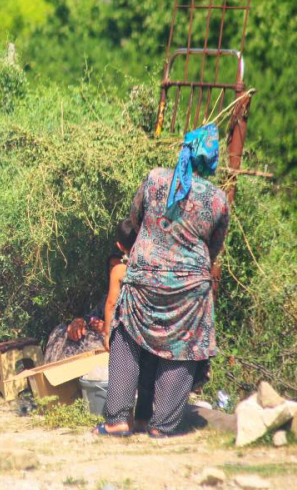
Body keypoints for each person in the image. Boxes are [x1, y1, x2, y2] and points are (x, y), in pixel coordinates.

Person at [95, 123, 229, 438]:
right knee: (182, 346)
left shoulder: (155, 178)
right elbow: (214, 247)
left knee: (127, 338)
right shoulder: (218, 199)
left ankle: (117, 419)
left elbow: (135, 219)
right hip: (189, 289)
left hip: (144, 277)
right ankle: (162, 426)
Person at [44, 219, 138, 363]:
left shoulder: (128, 282)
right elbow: (92, 316)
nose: (113, 271)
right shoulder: (106, 298)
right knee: (60, 331)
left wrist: (107, 329)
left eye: (118, 265)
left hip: (124, 343)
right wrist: (79, 322)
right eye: (110, 267)